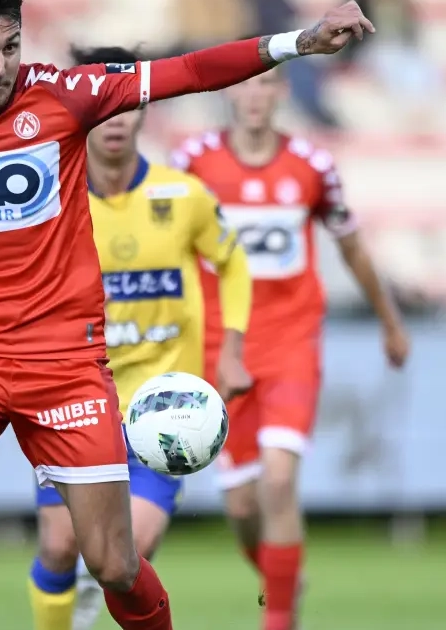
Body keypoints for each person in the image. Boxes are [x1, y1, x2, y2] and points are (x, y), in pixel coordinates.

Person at [0, 2, 374, 630]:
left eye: (10, 47)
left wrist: (300, 41)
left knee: (113, 564)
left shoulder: (65, 94)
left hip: (64, 368)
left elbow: (192, 71)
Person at [170, 66, 409, 630]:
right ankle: (281, 579)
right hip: (222, 349)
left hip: (291, 342)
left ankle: (278, 618)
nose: (255, 94)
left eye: (267, 84)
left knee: (279, 480)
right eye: (246, 83)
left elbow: (352, 247)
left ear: (281, 93)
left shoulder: (312, 165)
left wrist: (390, 321)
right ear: (230, 90)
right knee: (242, 505)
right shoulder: (192, 162)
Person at [26, 46, 254, 630]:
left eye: (126, 109)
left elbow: (233, 263)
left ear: (143, 112)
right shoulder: (49, 200)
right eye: (104, 110)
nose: (115, 122)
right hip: (74, 397)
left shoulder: (183, 195)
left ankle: (96, 593)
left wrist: (231, 348)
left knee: (129, 551)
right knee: (58, 547)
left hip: (161, 406)